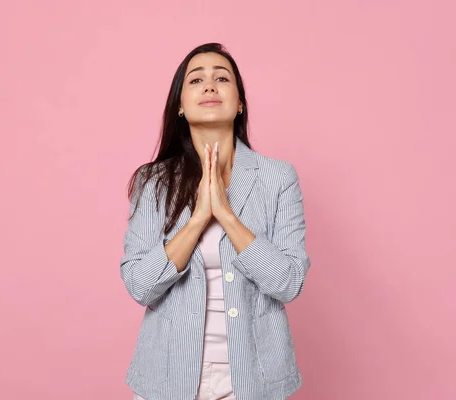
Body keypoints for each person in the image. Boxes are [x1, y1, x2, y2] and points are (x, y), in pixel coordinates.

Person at [120, 42, 312, 400]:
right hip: (167, 377)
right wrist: (197, 221)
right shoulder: (154, 182)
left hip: (255, 379)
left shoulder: (278, 178)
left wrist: (225, 214)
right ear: (179, 105)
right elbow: (139, 285)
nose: (209, 86)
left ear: (239, 103)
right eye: (196, 80)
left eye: (221, 78)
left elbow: (289, 281)